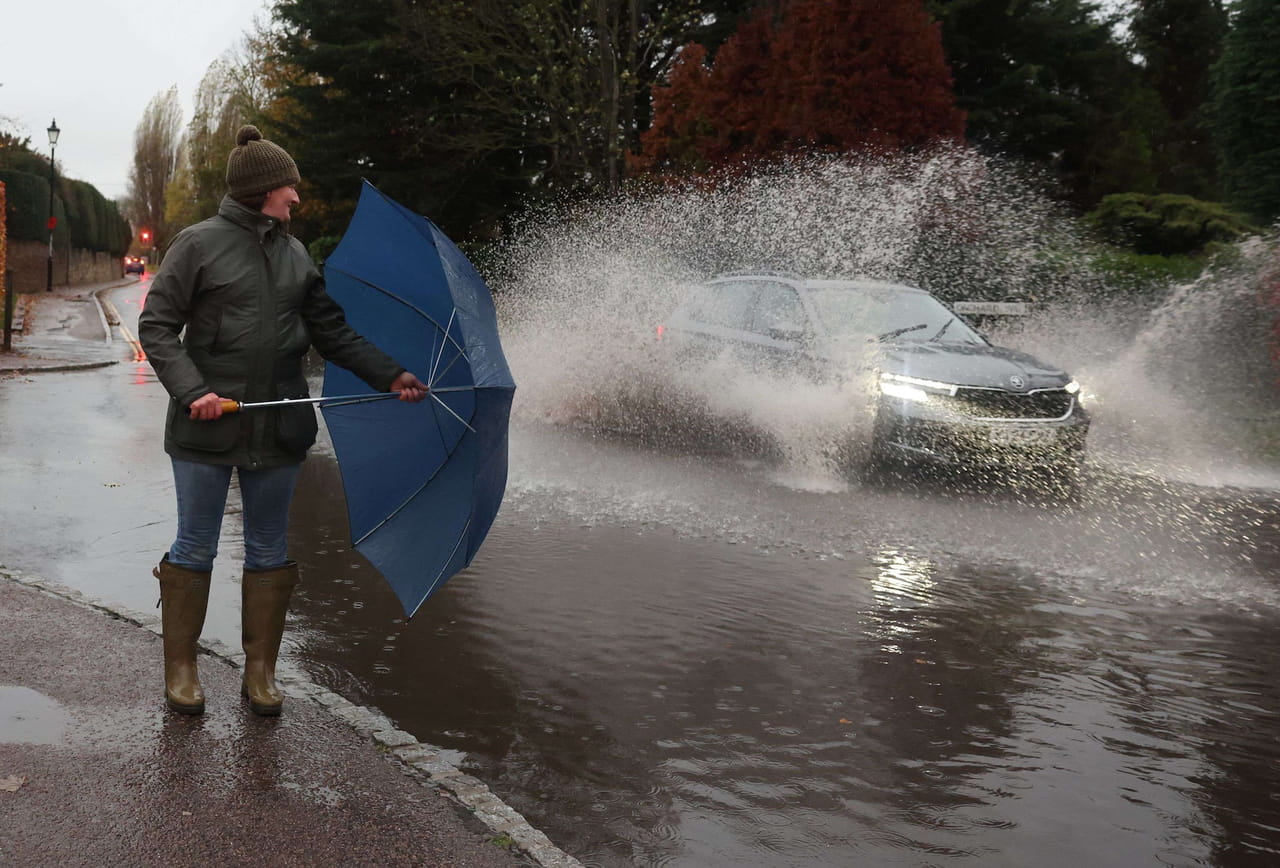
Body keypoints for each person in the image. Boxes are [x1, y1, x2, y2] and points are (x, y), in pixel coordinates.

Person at [138, 125, 427, 717]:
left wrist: (390, 374)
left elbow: (332, 331)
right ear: (260, 190)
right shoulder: (196, 245)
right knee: (195, 544)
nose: (296, 197)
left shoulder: (297, 255)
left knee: (270, 546)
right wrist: (194, 390)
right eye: (287, 188)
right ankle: (182, 669)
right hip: (205, 427)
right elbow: (157, 328)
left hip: (281, 424)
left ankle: (260, 675)